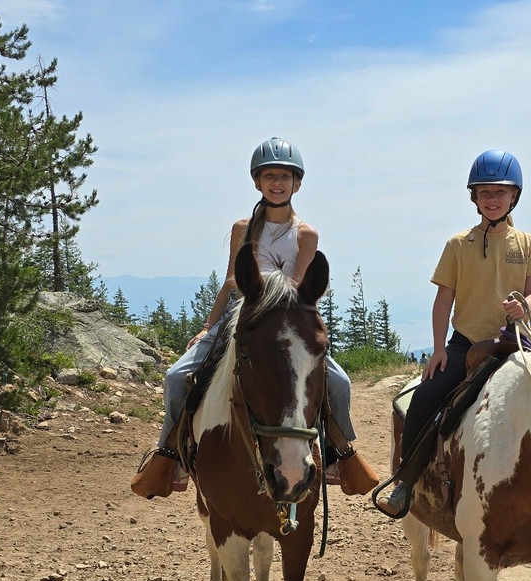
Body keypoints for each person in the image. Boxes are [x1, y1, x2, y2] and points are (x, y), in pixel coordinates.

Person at [132, 137, 369, 498]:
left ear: (297, 183)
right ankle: (170, 456)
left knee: (339, 383)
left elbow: (301, 288)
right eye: (270, 176)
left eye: (285, 177)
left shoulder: (306, 234)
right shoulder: (243, 229)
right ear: (257, 182)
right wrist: (208, 326)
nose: (277, 183)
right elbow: (231, 281)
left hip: (287, 320)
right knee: (177, 375)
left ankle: (338, 454)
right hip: (241, 318)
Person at [375, 150, 531, 518]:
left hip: (515, 342)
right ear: (474, 198)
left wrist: (526, 307)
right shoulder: (457, 245)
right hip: (466, 344)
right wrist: (438, 349)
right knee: (425, 400)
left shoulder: (528, 243)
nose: (493, 199)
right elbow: (443, 301)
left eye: (500, 192)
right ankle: (405, 481)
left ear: (514, 196)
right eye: (485, 193)